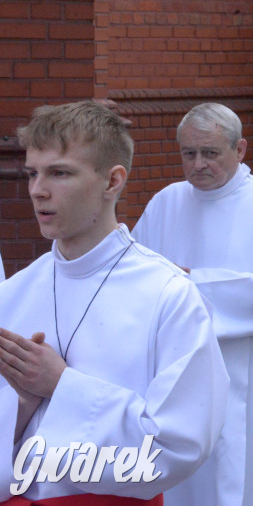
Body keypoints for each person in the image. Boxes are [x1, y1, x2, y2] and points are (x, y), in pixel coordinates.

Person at [0, 101, 228, 502]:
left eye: (60, 173)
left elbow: (179, 444)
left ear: (112, 181)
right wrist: (20, 407)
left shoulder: (168, 294)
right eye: (33, 173)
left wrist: (61, 385)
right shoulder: (14, 291)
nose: (38, 189)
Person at [133, 103, 253, 506]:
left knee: (252, 480)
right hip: (178, 369)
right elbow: (136, 275)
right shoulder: (166, 202)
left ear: (240, 149)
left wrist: (189, 284)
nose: (198, 164)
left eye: (210, 153)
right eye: (188, 153)